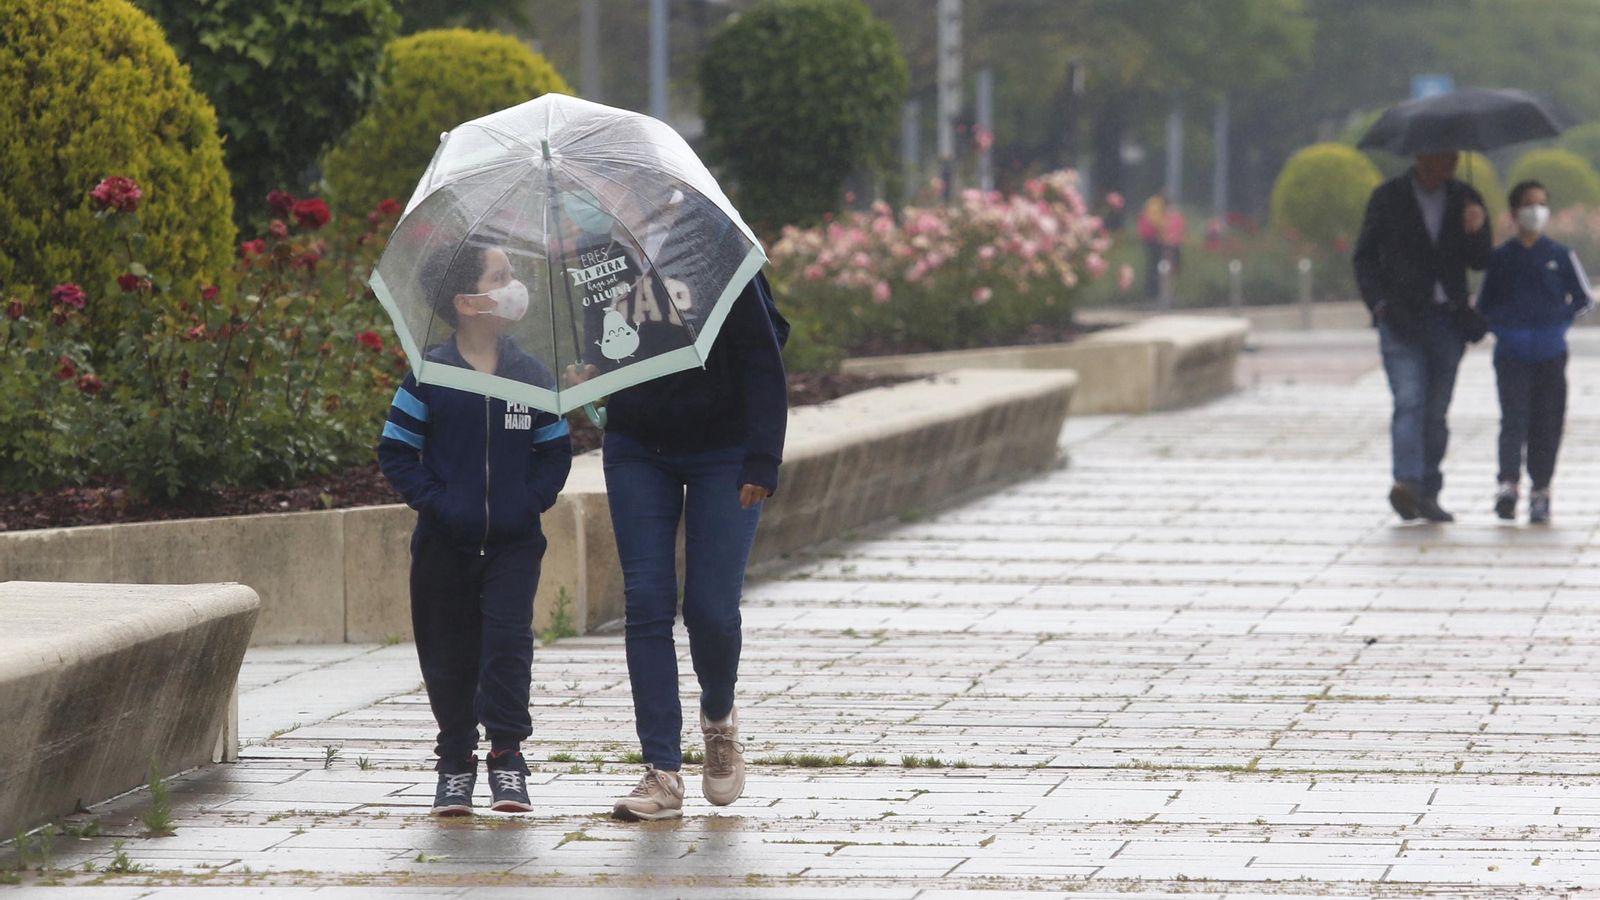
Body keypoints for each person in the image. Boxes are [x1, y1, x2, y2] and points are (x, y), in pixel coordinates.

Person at [377, 242, 574, 817]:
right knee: (449, 652)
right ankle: (455, 759)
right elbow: (396, 453)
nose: (516, 286)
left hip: (514, 544)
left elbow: (555, 452)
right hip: (444, 545)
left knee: (508, 645)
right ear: (467, 300)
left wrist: (528, 502)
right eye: (501, 276)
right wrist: (439, 505)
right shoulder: (428, 377)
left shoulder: (531, 375)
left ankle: (508, 757)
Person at [1353, 150, 1493, 522]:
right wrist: (1380, 305)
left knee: (1435, 413)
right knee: (1410, 401)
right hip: (1401, 319)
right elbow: (1364, 258)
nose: (1445, 166)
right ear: (1420, 156)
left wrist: (1478, 229)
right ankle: (1407, 483)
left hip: (1448, 321)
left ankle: (1429, 490)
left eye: (1451, 159)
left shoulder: (1466, 198)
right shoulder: (1388, 197)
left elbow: (1480, 261)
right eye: (1438, 157)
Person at [1476, 179, 1594, 524]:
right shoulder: (1501, 259)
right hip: (1512, 355)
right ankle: (1508, 485)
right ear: (1514, 212)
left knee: (1547, 423)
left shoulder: (1560, 256)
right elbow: (1485, 305)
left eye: (1541, 203)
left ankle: (1541, 490)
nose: (1535, 210)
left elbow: (1584, 300)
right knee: (1513, 421)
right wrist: (1505, 328)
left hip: (1550, 354)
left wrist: (1559, 322)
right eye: (1529, 204)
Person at [1137, 194, 1167, 301]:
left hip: (1148, 239)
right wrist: (1163, 232)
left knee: (1153, 266)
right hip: (1153, 239)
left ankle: (1152, 292)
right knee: (1154, 266)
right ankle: (1153, 293)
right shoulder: (1156, 205)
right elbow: (1156, 222)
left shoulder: (1152, 204)